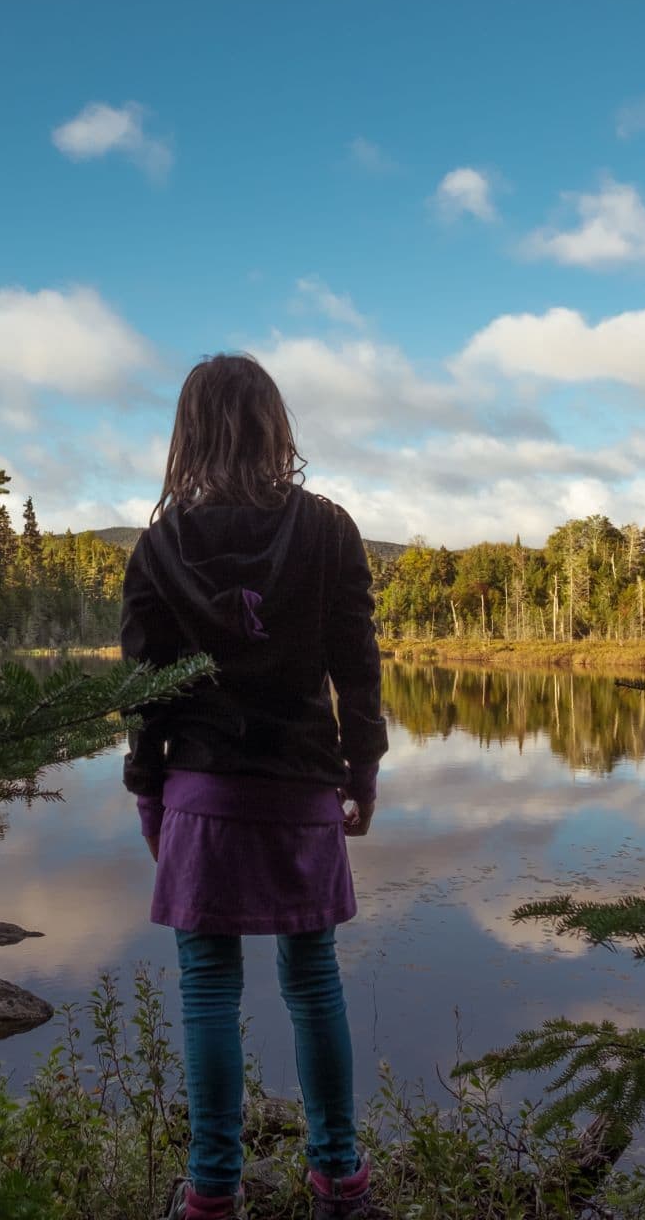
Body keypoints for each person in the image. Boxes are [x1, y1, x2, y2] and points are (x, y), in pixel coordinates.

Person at [120, 353, 386, 1219]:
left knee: (207, 986)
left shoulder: (158, 545)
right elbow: (357, 664)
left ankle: (212, 1191)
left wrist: (149, 791)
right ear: (276, 427)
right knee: (314, 982)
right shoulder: (329, 529)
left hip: (205, 792)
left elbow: (145, 688)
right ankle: (340, 1176)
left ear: (188, 433)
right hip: (302, 784)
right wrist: (363, 766)